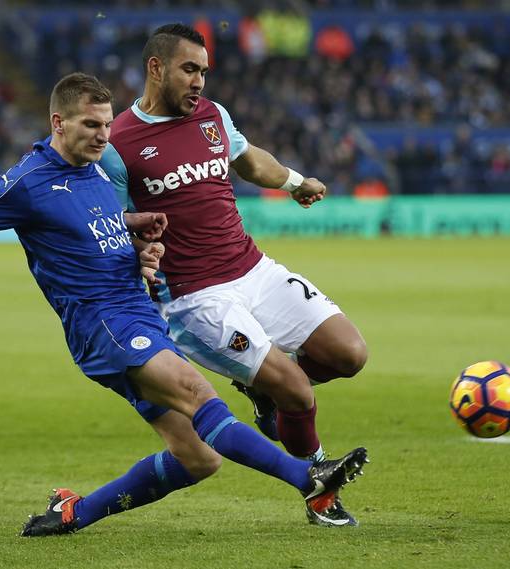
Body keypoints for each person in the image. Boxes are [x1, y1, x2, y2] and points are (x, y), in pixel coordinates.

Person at [0, 72, 369, 536]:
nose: (102, 135)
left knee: (198, 459)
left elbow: (96, 227)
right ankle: (310, 481)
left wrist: (140, 237)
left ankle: (73, 514)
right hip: (104, 325)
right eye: (89, 126)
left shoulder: (99, 172)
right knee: (199, 393)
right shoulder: (26, 182)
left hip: (137, 310)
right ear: (58, 123)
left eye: (106, 125)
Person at [100, 24, 369, 526]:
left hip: (254, 268)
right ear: (156, 68)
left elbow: (248, 161)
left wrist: (294, 181)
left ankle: (265, 392)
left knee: (349, 354)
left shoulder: (212, 116)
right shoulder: (118, 143)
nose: (200, 80)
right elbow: (111, 227)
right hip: (195, 298)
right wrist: (140, 250)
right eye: (189, 69)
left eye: (203, 70)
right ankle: (317, 485)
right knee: (295, 390)